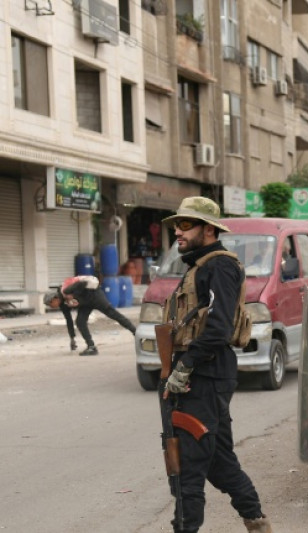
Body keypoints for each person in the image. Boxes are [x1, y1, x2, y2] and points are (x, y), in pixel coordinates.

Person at [161, 197, 272, 533]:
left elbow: (219, 328)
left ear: (208, 229)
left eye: (185, 225)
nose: (177, 232)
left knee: (187, 466)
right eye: (176, 225)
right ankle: (257, 522)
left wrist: (185, 366)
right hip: (200, 372)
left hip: (203, 373)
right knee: (219, 461)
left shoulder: (219, 266)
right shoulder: (199, 266)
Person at [43, 275, 136, 356]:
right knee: (80, 322)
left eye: (50, 304)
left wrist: (74, 294)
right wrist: (72, 338)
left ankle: (135, 332)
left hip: (95, 296)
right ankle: (91, 347)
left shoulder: (66, 291)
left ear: (54, 299)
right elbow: (68, 319)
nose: (51, 307)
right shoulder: (63, 305)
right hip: (85, 304)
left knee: (114, 314)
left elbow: (82, 283)